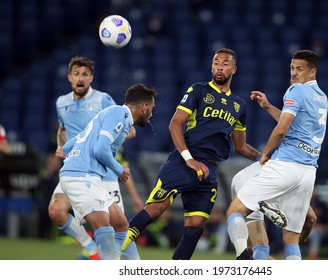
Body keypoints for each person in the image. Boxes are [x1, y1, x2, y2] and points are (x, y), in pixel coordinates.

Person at [121, 48, 262, 259]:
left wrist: (264, 158)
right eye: (216, 63)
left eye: (225, 63)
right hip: (185, 160)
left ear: (234, 69)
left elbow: (240, 147)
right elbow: (175, 124)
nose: (219, 67)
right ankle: (112, 252)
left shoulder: (239, 106)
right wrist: (190, 160)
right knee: (157, 208)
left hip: (210, 169)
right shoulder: (199, 90)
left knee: (195, 227)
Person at [226, 49, 328, 260]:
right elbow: (296, 126)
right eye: (292, 67)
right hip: (308, 172)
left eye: (300, 69)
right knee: (291, 242)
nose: (294, 73)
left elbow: (282, 130)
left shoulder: (296, 91)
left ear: (312, 72)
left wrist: (266, 154)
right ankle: (269, 211)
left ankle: (245, 259)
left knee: (234, 209)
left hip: (285, 164)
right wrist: (268, 106)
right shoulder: (322, 97)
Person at [47, 56, 142, 260]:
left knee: (119, 226)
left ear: (91, 78)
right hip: (76, 168)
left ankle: (132, 265)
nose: (80, 78)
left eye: (85, 74)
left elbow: (129, 129)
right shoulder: (61, 103)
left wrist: (102, 144)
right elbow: (62, 129)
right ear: (69, 78)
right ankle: (92, 249)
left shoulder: (103, 99)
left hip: (102, 171)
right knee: (56, 211)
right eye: (76, 74)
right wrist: (60, 146)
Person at [59, 83, 156, 259]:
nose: (151, 114)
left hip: (89, 177)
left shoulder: (110, 114)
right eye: (151, 109)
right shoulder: (119, 113)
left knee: (120, 224)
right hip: (81, 177)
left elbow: (72, 144)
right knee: (103, 225)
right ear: (144, 107)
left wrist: (66, 152)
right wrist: (120, 169)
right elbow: (100, 149)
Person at [306, 189, 328, 259]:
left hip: (319, 227)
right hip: (306, 227)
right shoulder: (304, 203)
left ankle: (313, 254)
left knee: (315, 235)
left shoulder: (322, 204)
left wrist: (322, 224)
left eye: (313, 190)